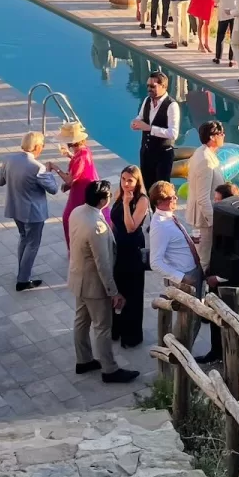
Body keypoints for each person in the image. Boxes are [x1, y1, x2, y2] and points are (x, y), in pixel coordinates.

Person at [68, 180, 137, 384]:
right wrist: (113, 292)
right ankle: (109, 369)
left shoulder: (77, 212)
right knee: (102, 327)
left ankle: (83, 360)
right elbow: (103, 264)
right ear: (102, 200)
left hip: (78, 278)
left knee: (81, 321)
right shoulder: (97, 227)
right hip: (94, 285)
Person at [0, 131, 60, 291]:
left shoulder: (9, 159)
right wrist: (49, 172)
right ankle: (23, 280)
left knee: (24, 238)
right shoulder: (38, 168)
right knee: (32, 244)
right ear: (37, 146)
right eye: (42, 145)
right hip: (33, 213)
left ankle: (22, 272)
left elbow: (0, 181)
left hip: (15, 208)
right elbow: (53, 189)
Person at [111, 165, 150, 349]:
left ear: (137, 181)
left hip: (132, 249)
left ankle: (131, 335)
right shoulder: (119, 193)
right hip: (118, 247)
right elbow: (114, 221)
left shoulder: (142, 200)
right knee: (118, 289)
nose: (126, 184)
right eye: (123, 179)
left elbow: (130, 227)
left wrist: (127, 204)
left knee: (132, 292)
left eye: (130, 181)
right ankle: (116, 329)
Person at [129, 68, 179, 187]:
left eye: (152, 86)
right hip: (146, 152)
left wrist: (150, 129)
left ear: (163, 86)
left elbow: (173, 133)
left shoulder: (172, 105)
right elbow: (141, 117)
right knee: (146, 186)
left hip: (163, 155)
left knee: (161, 189)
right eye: (147, 85)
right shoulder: (147, 100)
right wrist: (135, 122)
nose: (149, 89)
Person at [186, 119, 225, 267]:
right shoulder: (205, 161)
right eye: (221, 133)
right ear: (212, 137)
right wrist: (215, 222)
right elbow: (203, 198)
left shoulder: (202, 153)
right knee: (203, 260)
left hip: (204, 219)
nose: (223, 136)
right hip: (204, 221)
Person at [53, 121, 97, 247]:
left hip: (81, 192)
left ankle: (74, 248)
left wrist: (55, 168)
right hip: (85, 188)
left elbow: (70, 180)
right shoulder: (84, 150)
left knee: (68, 218)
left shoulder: (81, 157)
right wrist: (69, 155)